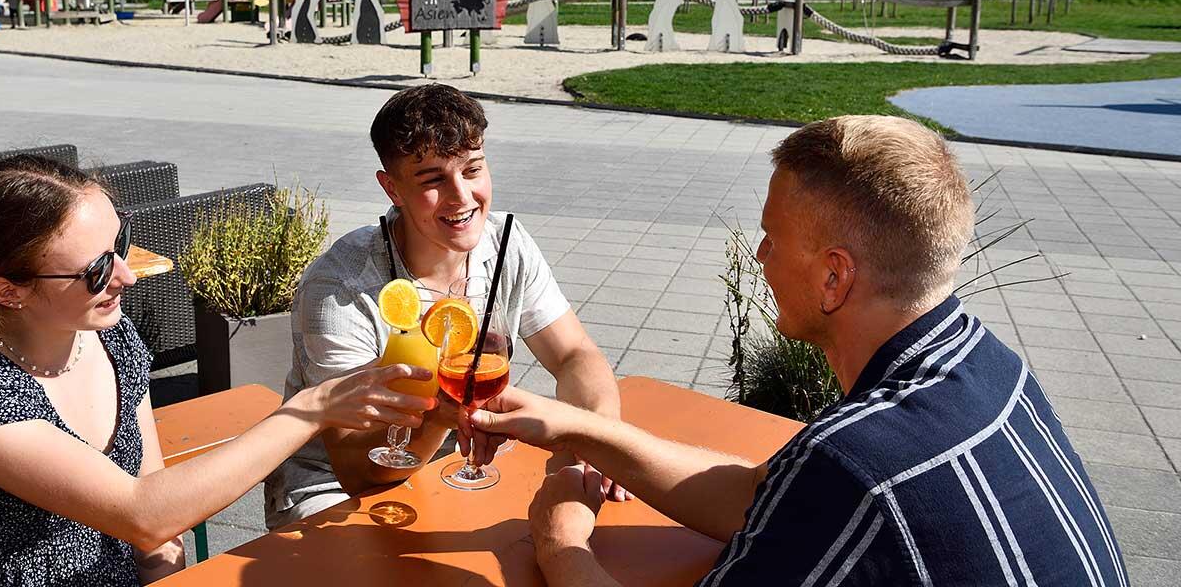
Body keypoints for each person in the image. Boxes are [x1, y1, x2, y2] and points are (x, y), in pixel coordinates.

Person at [470, 115, 1128, 587]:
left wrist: (562, 550)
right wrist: (579, 428)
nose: (760, 256)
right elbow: (761, 498)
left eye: (772, 238)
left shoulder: (855, 463)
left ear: (834, 276)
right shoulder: (988, 363)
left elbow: (823, 489)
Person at [0, 155, 435, 585]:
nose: (126, 275)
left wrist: (163, 570)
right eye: (98, 268)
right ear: (8, 291)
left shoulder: (109, 337)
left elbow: (153, 511)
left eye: (120, 243)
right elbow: (141, 513)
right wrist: (308, 411)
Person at [265, 83, 625, 528]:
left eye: (472, 170)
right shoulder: (341, 286)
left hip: (460, 470)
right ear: (391, 188)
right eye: (433, 180)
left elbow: (575, 354)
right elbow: (356, 467)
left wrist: (603, 439)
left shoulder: (507, 244)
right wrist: (439, 414)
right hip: (332, 494)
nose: (461, 197)